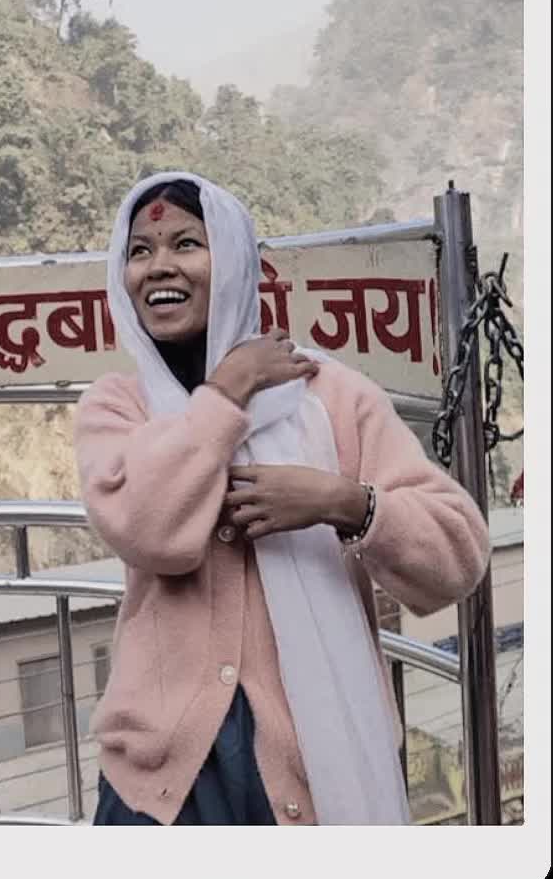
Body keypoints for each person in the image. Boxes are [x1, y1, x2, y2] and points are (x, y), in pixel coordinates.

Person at [75, 172, 491, 826]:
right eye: (140, 251)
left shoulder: (326, 396)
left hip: (316, 769)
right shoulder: (117, 407)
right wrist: (227, 393)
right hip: (160, 783)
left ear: (235, 262)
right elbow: (150, 532)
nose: (159, 266)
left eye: (187, 243)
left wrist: (341, 502)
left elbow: (458, 555)